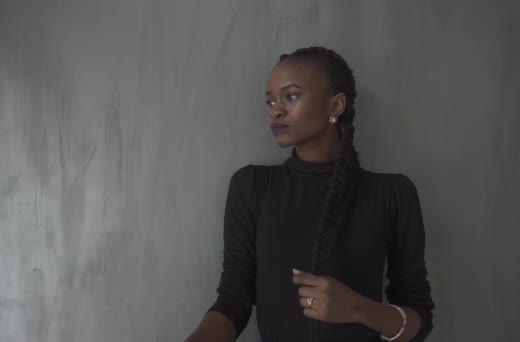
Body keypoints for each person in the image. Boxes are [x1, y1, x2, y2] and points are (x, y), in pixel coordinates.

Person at [186, 46, 434, 341]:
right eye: (270, 101)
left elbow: (419, 320)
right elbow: (233, 300)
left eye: (291, 96)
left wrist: (359, 309)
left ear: (335, 106)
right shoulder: (252, 186)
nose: (275, 110)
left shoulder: (392, 194)